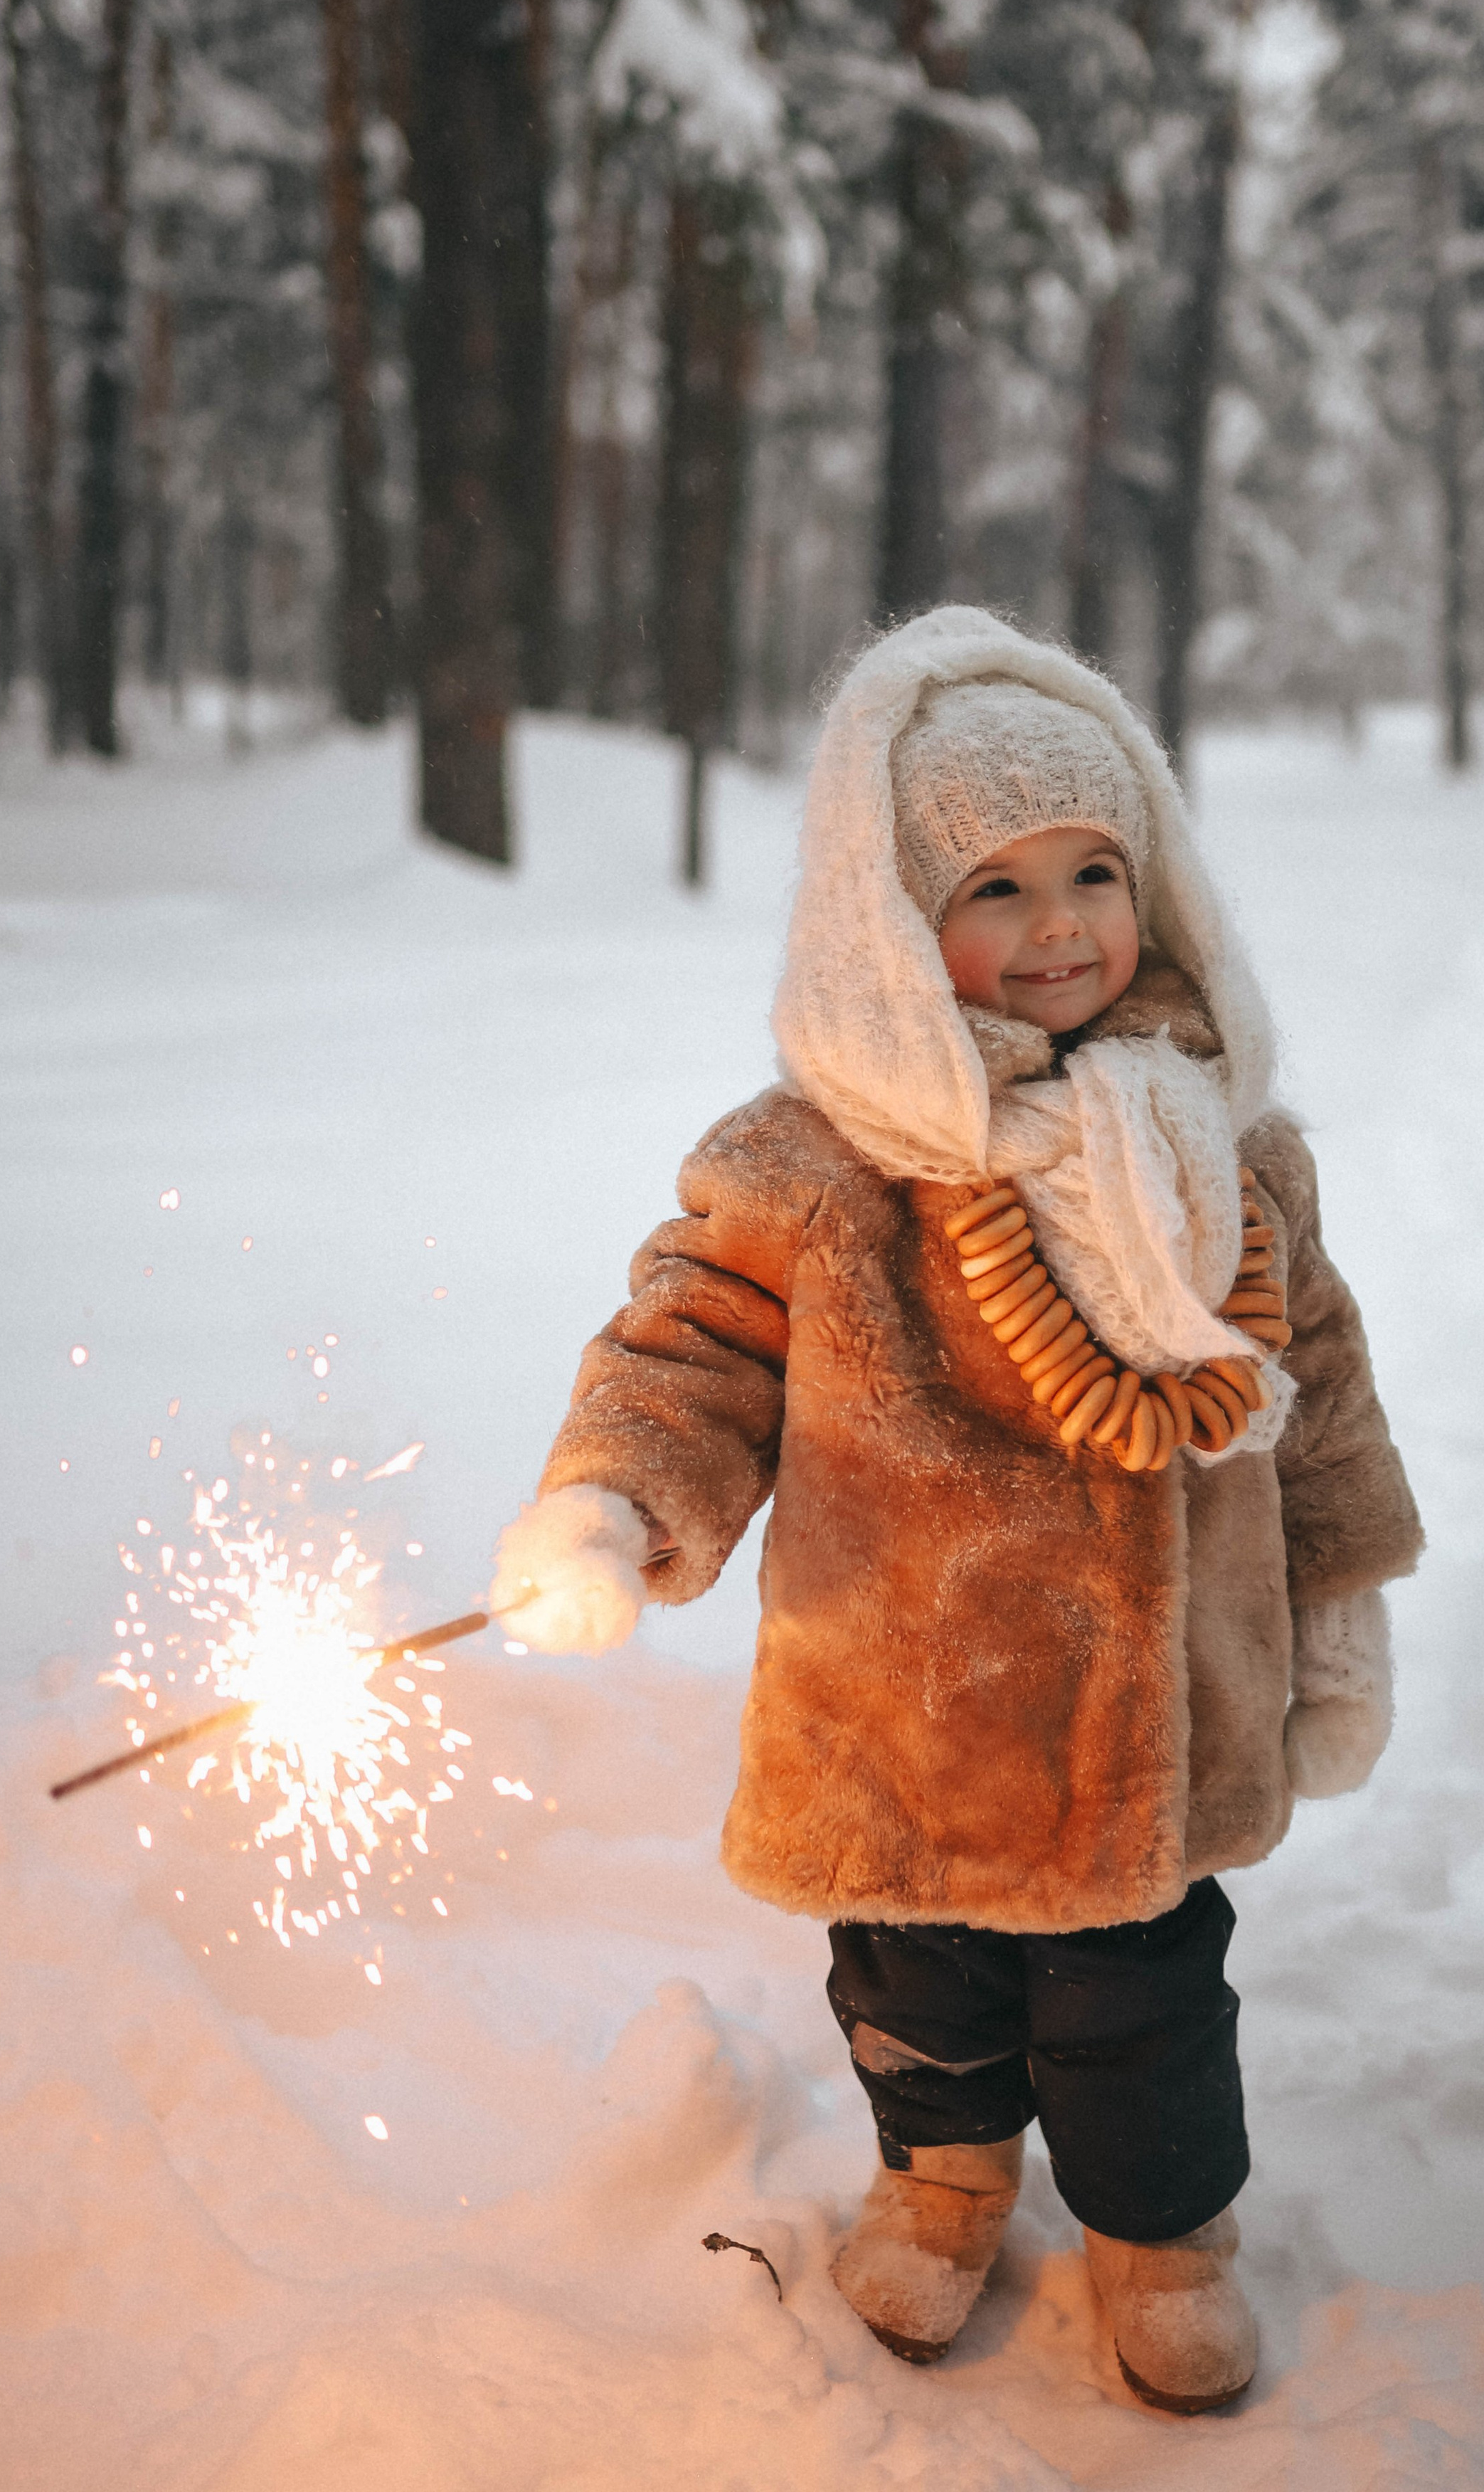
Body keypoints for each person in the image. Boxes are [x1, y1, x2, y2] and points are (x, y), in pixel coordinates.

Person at [492, 607, 1421, 2413]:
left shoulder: (1225, 1149)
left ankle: (1163, 2237)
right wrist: (613, 1498)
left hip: (1147, 1723)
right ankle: (941, 2178)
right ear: (890, 925)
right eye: (993, 890)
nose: (1058, 924)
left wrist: (1337, 1603)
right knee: (916, 1993)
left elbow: (1315, 1394)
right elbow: (691, 1347)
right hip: (902, 1716)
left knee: (1146, 2004)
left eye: (1094, 871)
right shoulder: (822, 1164)